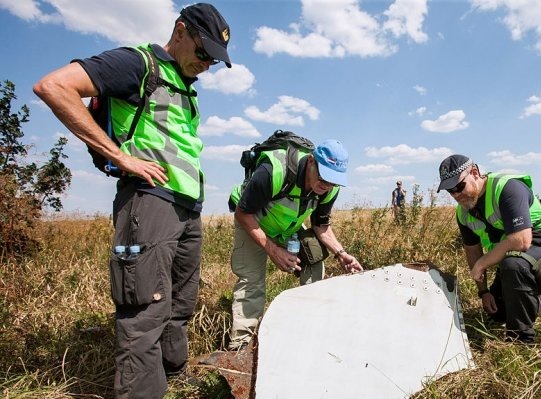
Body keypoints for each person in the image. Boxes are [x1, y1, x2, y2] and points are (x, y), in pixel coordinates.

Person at [33, 3, 232, 397]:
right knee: (145, 308)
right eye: (203, 52)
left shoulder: (184, 85)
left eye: (215, 59)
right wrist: (119, 156)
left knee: (179, 302)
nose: (208, 63)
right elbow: (54, 86)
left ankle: (173, 377)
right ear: (180, 31)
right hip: (149, 202)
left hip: (186, 208)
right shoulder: (138, 64)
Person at [227, 139, 364, 350]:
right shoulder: (274, 171)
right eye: (324, 176)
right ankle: (241, 346)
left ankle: (309, 326)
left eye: (333, 181)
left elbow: (320, 226)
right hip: (253, 220)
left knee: (315, 257)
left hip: (285, 227)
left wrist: (341, 253)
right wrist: (273, 250)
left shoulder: (329, 189)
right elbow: (242, 213)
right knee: (252, 280)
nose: (326, 185)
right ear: (311, 161)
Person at [437, 154, 541, 343]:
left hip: (540, 242)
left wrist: (481, 265)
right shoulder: (463, 213)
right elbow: (473, 251)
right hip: (510, 255)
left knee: (513, 265)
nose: (456, 194)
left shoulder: (507, 188)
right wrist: (483, 292)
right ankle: (538, 296)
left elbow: (521, 241)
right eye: (450, 191)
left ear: (475, 173)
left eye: (460, 186)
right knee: (498, 312)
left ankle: (521, 338)